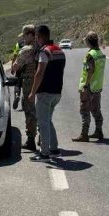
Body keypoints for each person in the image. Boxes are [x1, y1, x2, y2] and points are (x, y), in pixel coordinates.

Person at [25, 24, 65, 164]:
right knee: (48, 120)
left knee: (43, 123)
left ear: (39, 37)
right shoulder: (59, 51)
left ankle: (44, 153)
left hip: (45, 93)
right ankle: (54, 149)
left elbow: (39, 72)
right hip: (57, 93)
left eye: (36, 37)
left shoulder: (44, 52)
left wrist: (32, 92)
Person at [72, 31, 105, 142]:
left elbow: (90, 71)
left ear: (88, 42)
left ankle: (84, 134)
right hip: (97, 86)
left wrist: (85, 85)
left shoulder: (90, 54)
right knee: (96, 110)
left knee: (84, 110)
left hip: (89, 87)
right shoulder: (100, 53)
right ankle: (98, 131)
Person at [10, 25, 39, 151]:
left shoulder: (26, 49)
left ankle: (31, 140)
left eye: (24, 36)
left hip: (29, 82)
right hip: (42, 82)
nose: (23, 39)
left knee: (29, 111)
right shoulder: (41, 47)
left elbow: (14, 68)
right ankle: (43, 137)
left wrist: (15, 61)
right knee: (42, 110)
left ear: (30, 35)